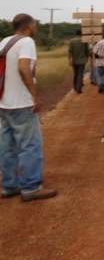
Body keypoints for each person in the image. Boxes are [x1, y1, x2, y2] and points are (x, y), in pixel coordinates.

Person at [0, 13, 57, 201]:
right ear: (28, 26)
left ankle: (10, 186)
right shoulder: (27, 42)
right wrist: (34, 95)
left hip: (4, 103)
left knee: (7, 146)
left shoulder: (4, 42)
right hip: (22, 103)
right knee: (30, 146)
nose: (36, 27)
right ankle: (31, 187)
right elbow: (24, 67)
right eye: (35, 24)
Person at [68, 29, 90, 94]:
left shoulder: (71, 41)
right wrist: (87, 58)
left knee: (76, 74)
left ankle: (75, 87)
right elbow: (87, 51)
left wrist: (69, 60)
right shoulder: (84, 41)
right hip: (82, 61)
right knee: (80, 74)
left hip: (74, 61)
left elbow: (70, 51)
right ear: (81, 34)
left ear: (76, 34)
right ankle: (79, 88)